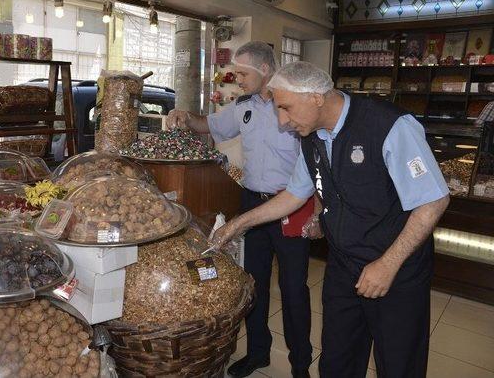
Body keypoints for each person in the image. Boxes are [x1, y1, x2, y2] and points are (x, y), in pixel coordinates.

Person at [210, 61, 450, 378]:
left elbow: (434, 200)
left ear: (316, 97)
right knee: (337, 361)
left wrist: (388, 264)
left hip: (396, 268)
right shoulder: (311, 136)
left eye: (285, 108)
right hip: (344, 265)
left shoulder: (388, 125)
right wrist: (237, 225)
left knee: (398, 364)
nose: (282, 121)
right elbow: (294, 195)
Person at [167, 42, 313, 378]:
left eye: (243, 73)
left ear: (264, 70)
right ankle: (258, 352)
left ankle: (301, 366)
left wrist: (318, 209)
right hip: (251, 203)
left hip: (291, 205)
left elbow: (316, 161)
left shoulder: (294, 105)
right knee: (252, 283)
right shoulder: (243, 105)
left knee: (293, 290)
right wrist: (186, 116)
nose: (236, 79)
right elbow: (210, 126)